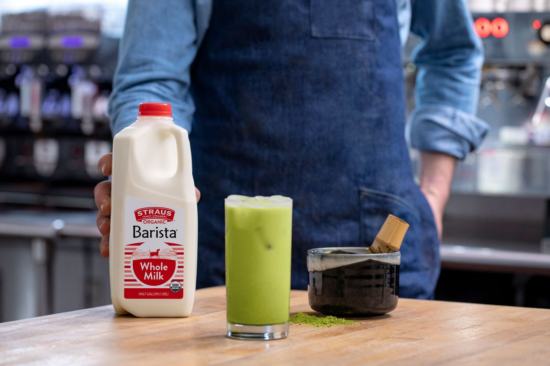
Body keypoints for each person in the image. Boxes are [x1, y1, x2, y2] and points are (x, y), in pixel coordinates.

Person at [94, 0, 488, 299]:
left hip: (374, 245)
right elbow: (152, 79)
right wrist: (140, 176)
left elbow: (452, 51)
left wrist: (434, 193)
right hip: (225, 247)